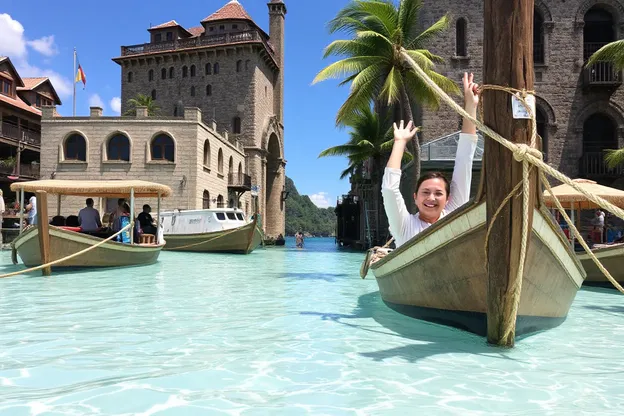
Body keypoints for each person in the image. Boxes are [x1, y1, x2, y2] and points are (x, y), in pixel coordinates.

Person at [382, 72, 480, 248]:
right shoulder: (404, 226)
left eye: (438, 193)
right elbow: (389, 189)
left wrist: (471, 107)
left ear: (448, 199)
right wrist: (399, 142)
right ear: (415, 197)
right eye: (425, 192)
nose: (431, 198)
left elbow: (465, 158)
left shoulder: (452, 215)